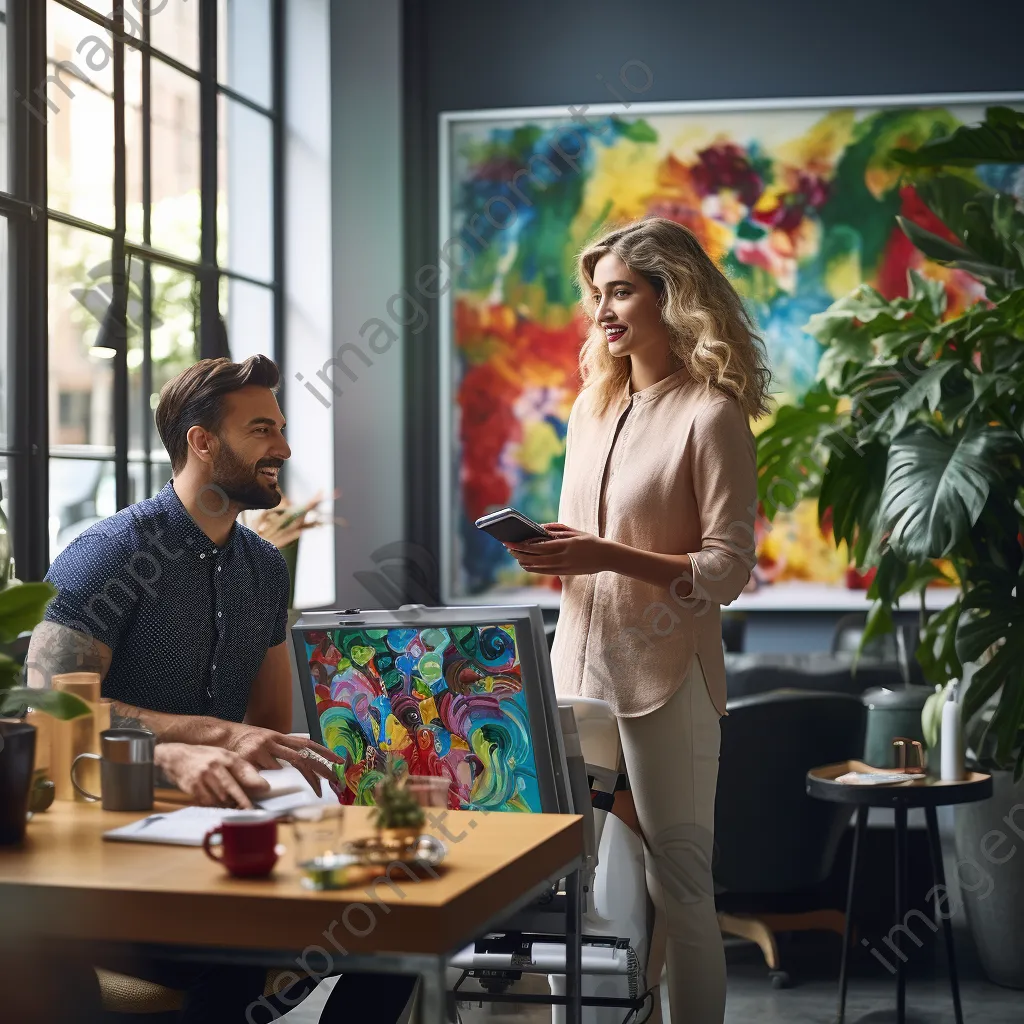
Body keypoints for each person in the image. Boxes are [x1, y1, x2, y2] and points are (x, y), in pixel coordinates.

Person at [505, 217, 770, 1023]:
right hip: (574, 679)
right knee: (562, 885)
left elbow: (727, 568)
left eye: (621, 291)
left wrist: (606, 556)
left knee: (680, 886)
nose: (604, 311)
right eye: (599, 295)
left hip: (666, 683)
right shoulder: (590, 408)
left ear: (671, 294)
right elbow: (583, 544)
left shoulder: (709, 414)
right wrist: (551, 554)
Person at [27, 354, 341, 804]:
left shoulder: (268, 568)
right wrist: (205, 739)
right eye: (261, 430)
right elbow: (50, 710)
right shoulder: (110, 553)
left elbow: (267, 731)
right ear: (202, 442)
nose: (283, 449)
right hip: (113, 809)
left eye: (280, 429)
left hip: (229, 812)